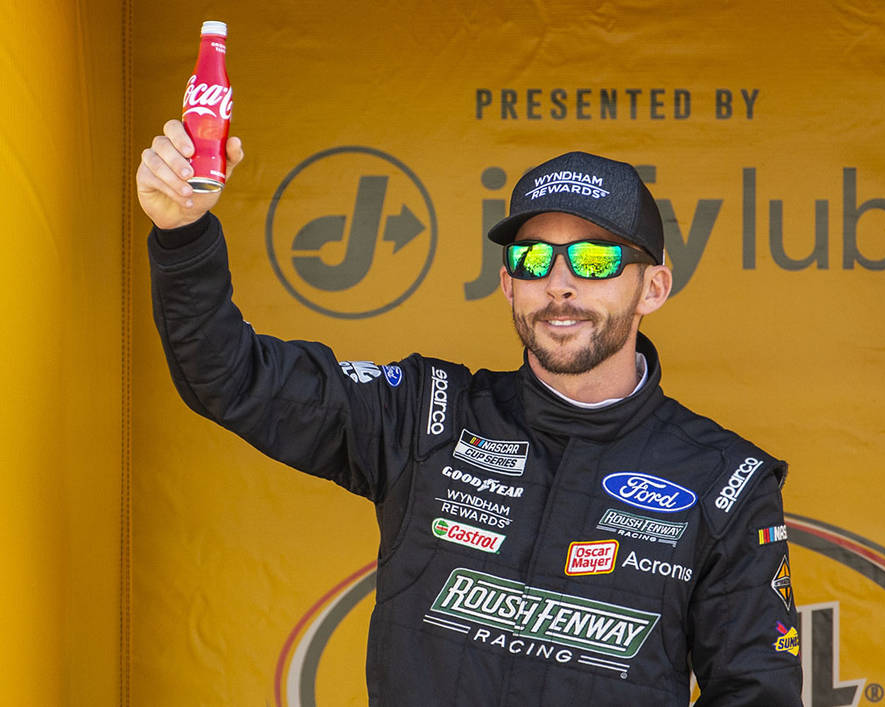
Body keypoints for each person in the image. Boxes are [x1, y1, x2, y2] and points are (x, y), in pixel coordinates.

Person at [138, 120, 803, 706]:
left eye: (596, 259)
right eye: (533, 257)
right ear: (507, 281)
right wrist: (182, 231)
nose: (561, 282)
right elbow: (231, 376)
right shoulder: (427, 414)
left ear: (653, 287)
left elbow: (758, 693)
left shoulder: (726, 481)